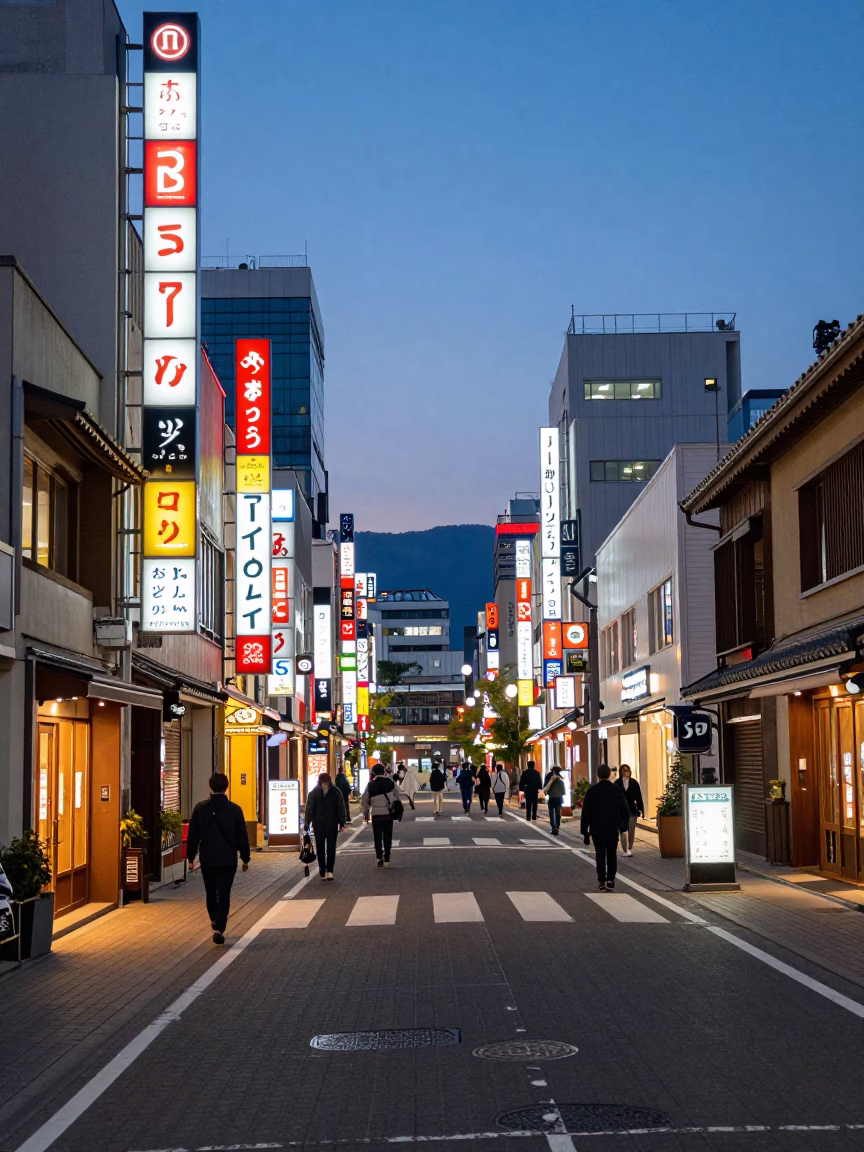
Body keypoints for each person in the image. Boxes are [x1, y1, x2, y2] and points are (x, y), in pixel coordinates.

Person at [186, 772, 251, 944]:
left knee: (210, 891)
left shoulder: (200, 809)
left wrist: (190, 857)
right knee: (224, 892)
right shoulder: (235, 810)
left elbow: (193, 835)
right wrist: (246, 858)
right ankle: (220, 927)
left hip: (207, 858)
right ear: (226, 787)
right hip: (228, 859)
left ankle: (215, 920)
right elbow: (242, 836)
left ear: (210, 787)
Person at [580, 764, 631, 891]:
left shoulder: (592, 791)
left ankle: (601, 880)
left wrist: (584, 832)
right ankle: (611, 879)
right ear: (609, 775)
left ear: (597, 775)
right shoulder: (616, 790)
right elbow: (625, 811)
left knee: (600, 854)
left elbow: (585, 812)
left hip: (597, 828)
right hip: (612, 827)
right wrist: (623, 826)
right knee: (611, 854)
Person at [304, 773, 347, 881]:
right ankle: (327, 871)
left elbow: (309, 809)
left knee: (322, 848)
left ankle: (325, 871)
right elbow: (341, 808)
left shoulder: (314, 793)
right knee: (329, 848)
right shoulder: (335, 791)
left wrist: (307, 823)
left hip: (321, 824)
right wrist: (342, 822)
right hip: (329, 824)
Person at [362, 763, 398, 867]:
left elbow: (365, 800)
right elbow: (397, 795)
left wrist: (365, 813)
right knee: (387, 836)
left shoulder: (370, 784)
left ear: (373, 773)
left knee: (377, 837)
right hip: (388, 813)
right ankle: (387, 857)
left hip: (376, 815)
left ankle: (379, 858)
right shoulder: (391, 782)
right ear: (384, 772)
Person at [615, 763, 644, 856]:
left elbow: (639, 797)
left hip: (632, 809)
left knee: (631, 830)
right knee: (623, 829)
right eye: (624, 770)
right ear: (621, 772)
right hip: (620, 811)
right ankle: (625, 848)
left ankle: (629, 847)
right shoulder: (617, 783)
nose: (626, 772)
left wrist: (641, 809)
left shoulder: (634, 783)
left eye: (627, 770)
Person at [544, 766, 566, 835]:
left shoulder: (549, 777)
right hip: (558, 798)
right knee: (557, 813)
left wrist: (548, 792)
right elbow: (563, 792)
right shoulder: (560, 780)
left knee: (552, 813)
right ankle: (557, 827)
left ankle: (554, 828)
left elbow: (545, 788)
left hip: (552, 798)